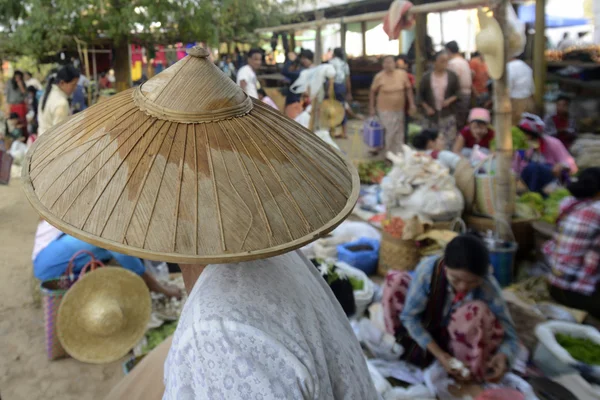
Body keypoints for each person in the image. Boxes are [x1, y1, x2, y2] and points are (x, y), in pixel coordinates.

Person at [383, 234, 518, 382]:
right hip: (426, 327)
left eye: (472, 282)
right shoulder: (428, 270)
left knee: (477, 312)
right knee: (395, 281)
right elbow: (409, 317)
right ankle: (402, 343)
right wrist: (440, 355)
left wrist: (504, 356)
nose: (463, 287)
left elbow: (509, 333)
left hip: (458, 340)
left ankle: (465, 368)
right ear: (446, 267)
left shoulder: (487, 286)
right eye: (456, 279)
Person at [32, 220, 181, 298]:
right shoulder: (111, 234)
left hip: (44, 259)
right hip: (49, 272)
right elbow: (137, 270)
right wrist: (165, 291)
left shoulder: (104, 224)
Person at [543, 167, 600, 318]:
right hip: (577, 293)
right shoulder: (596, 210)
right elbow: (593, 262)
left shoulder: (568, 204)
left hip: (554, 284)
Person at [514, 113, 577, 195]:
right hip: (527, 182)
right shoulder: (522, 148)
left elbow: (571, 165)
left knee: (535, 168)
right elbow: (515, 170)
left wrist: (561, 165)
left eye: (526, 134)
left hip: (550, 181)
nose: (523, 137)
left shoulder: (553, 143)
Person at [369, 55, 416, 155]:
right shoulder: (379, 76)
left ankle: (398, 154)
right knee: (389, 131)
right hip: (384, 109)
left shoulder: (402, 74)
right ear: (382, 64)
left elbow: (408, 89)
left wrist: (412, 104)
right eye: (385, 62)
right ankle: (389, 154)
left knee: (399, 132)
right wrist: (372, 107)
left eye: (390, 62)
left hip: (399, 108)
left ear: (395, 63)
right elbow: (372, 92)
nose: (388, 65)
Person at [418, 51, 460, 147]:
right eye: (442, 61)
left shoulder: (452, 76)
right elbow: (420, 96)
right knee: (431, 140)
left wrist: (449, 100)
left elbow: (458, 93)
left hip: (447, 113)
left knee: (449, 140)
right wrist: (427, 108)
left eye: (446, 61)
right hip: (431, 115)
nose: (444, 64)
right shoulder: (426, 77)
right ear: (434, 62)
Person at [38, 65, 80, 136]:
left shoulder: (47, 94)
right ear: (62, 83)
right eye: (73, 85)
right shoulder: (61, 103)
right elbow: (60, 135)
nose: (75, 88)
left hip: (42, 141)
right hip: (51, 144)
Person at [445, 41, 472, 128]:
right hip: (467, 94)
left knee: (457, 123)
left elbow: (452, 82)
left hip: (458, 96)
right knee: (462, 121)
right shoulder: (463, 61)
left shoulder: (453, 63)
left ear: (448, 51)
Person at [329, 48, 352, 138]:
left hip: (333, 86)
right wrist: (349, 92)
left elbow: (330, 77)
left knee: (332, 108)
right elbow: (347, 80)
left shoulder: (331, 62)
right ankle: (344, 132)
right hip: (342, 87)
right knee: (342, 108)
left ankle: (332, 131)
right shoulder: (345, 64)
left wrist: (329, 89)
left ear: (334, 54)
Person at [507, 56, 535, 125]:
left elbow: (508, 88)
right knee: (527, 127)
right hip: (528, 100)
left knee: (514, 127)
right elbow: (532, 88)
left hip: (515, 102)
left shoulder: (509, 67)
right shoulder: (525, 66)